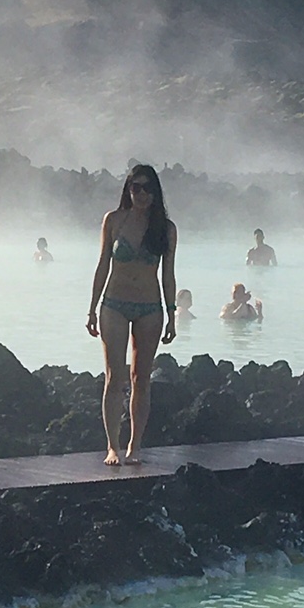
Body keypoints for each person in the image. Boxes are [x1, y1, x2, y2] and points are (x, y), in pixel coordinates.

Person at [87, 163, 178, 466]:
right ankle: (112, 446)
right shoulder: (113, 221)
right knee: (114, 377)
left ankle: (135, 445)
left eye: (147, 188)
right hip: (113, 304)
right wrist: (91, 308)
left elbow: (168, 275)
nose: (141, 194)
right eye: (135, 187)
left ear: (156, 192)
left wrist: (172, 313)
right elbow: (103, 265)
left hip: (150, 308)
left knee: (142, 378)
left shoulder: (165, 229)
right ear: (128, 190)